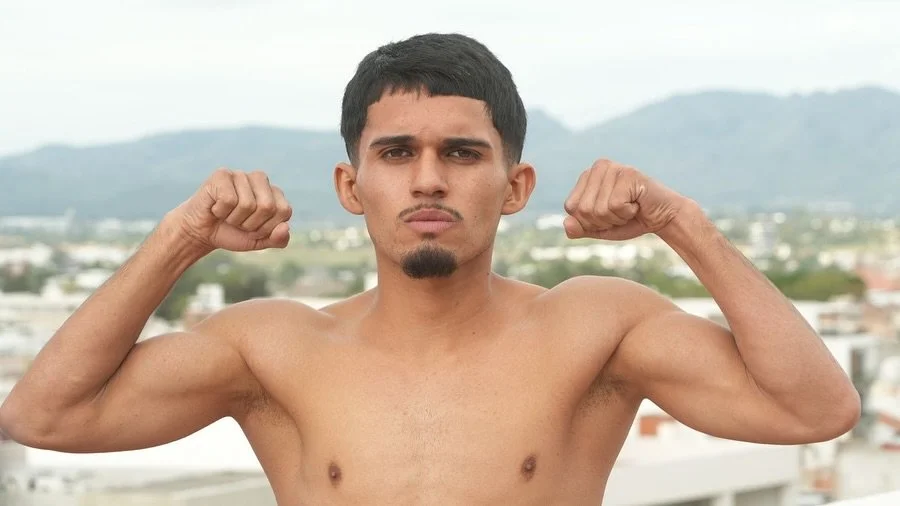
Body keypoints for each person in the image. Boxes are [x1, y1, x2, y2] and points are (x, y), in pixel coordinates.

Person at [0, 33, 860, 505]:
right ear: (351, 184)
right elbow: (46, 418)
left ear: (514, 184)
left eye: (461, 151)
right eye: (396, 152)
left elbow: (814, 409)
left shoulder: (594, 328)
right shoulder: (274, 348)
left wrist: (681, 222)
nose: (427, 178)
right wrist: (182, 237)